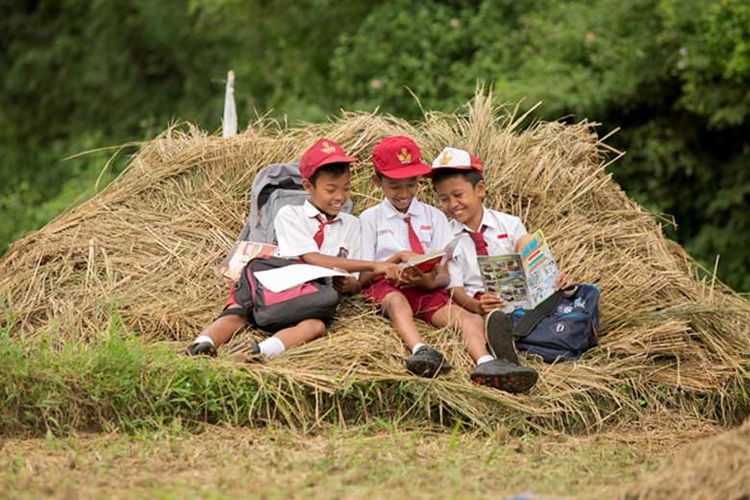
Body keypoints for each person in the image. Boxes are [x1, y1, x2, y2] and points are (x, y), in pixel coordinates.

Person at [187, 138, 400, 359]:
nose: (340, 197)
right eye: (331, 189)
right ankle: (203, 343)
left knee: (316, 326)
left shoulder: (353, 225)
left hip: (313, 294)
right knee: (240, 311)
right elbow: (311, 258)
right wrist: (377, 265)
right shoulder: (290, 214)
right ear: (308, 186)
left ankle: (259, 351)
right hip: (275, 282)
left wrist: (350, 284)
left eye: (346, 189)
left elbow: (356, 280)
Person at [360, 136, 537, 391]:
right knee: (398, 302)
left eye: (412, 185)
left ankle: (486, 362)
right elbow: (362, 275)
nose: (404, 193)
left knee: (468, 319)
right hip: (387, 287)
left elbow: (443, 276)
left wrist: (427, 279)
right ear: (378, 182)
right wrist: (393, 263)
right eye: (395, 186)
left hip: (425, 287)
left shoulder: (434, 217)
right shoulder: (369, 219)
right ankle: (420, 350)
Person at [430, 147, 567, 381]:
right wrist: (476, 306)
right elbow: (455, 290)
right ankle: (504, 340)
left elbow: (531, 257)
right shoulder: (445, 237)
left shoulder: (509, 224)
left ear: (480, 189)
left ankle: (514, 333)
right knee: (494, 317)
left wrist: (550, 276)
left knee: (561, 286)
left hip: (521, 300)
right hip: (482, 306)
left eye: (458, 195)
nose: (453, 204)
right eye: (444, 199)